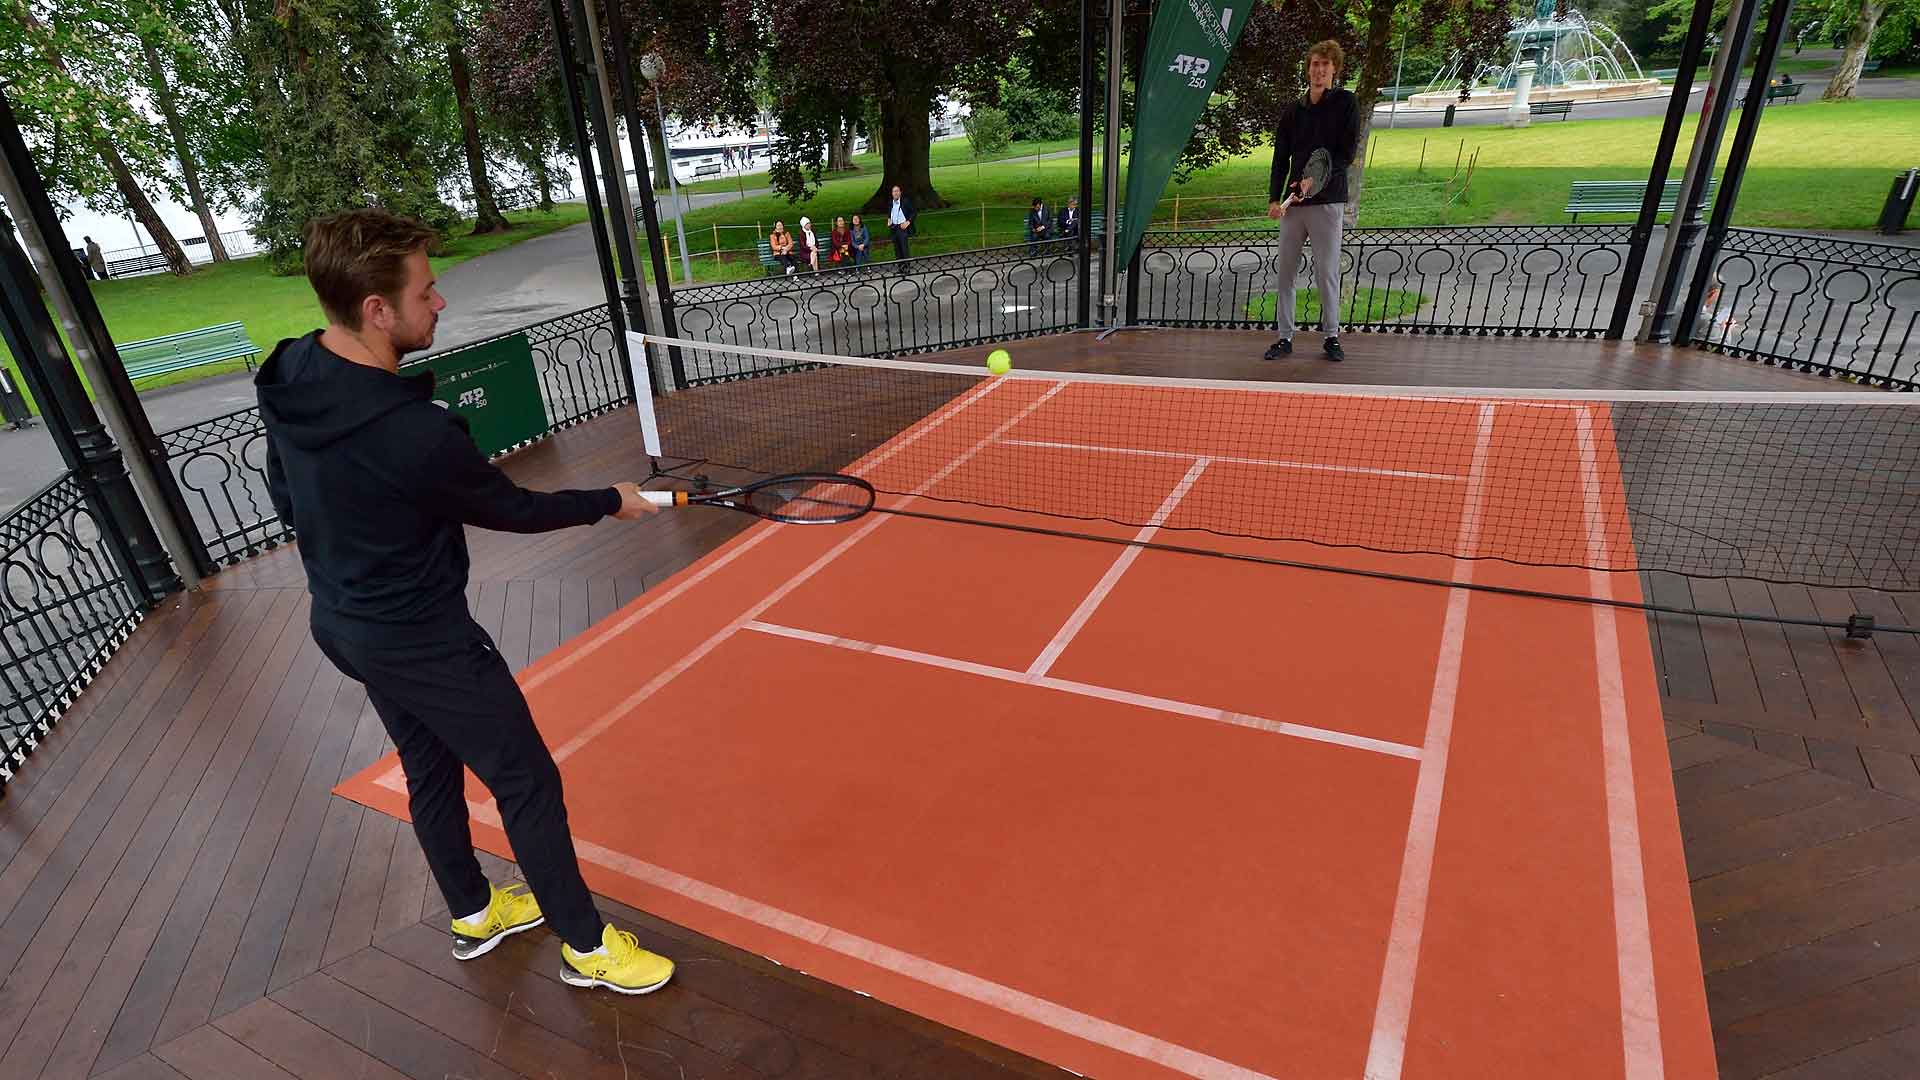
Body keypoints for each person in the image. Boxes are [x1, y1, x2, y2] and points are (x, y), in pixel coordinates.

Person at [254, 208, 675, 996]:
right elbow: (509, 508)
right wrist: (610, 499)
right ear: (377, 310)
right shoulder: (413, 433)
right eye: (427, 290)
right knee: (525, 780)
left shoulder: (292, 370)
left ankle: (474, 912)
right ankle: (587, 948)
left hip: (342, 623)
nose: (439, 302)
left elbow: (285, 490)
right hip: (419, 635)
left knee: (429, 764)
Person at [1266, 39, 1359, 363]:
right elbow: (1280, 158)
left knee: (1326, 273)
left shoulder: (1346, 103)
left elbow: (1346, 154)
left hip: (1328, 203)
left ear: (1334, 68)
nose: (1319, 70)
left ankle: (1331, 337)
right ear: (1308, 69)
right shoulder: (1294, 111)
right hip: (1295, 204)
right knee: (1286, 274)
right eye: (1314, 64)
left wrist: (1316, 179)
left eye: (1325, 64)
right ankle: (1284, 337)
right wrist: (1273, 198)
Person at [886, 184, 915, 269]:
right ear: (892, 193)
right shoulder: (890, 203)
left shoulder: (905, 201)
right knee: (897, 249)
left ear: (900, 193)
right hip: (893, 228)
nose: (895, 193)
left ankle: (907, 267)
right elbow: (889, 213)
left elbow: (914, 212)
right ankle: (900, 267)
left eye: (897, 191)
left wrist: (908, 222)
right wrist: (889, 220)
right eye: (894, 191)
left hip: (902, 228)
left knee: (904, 248)